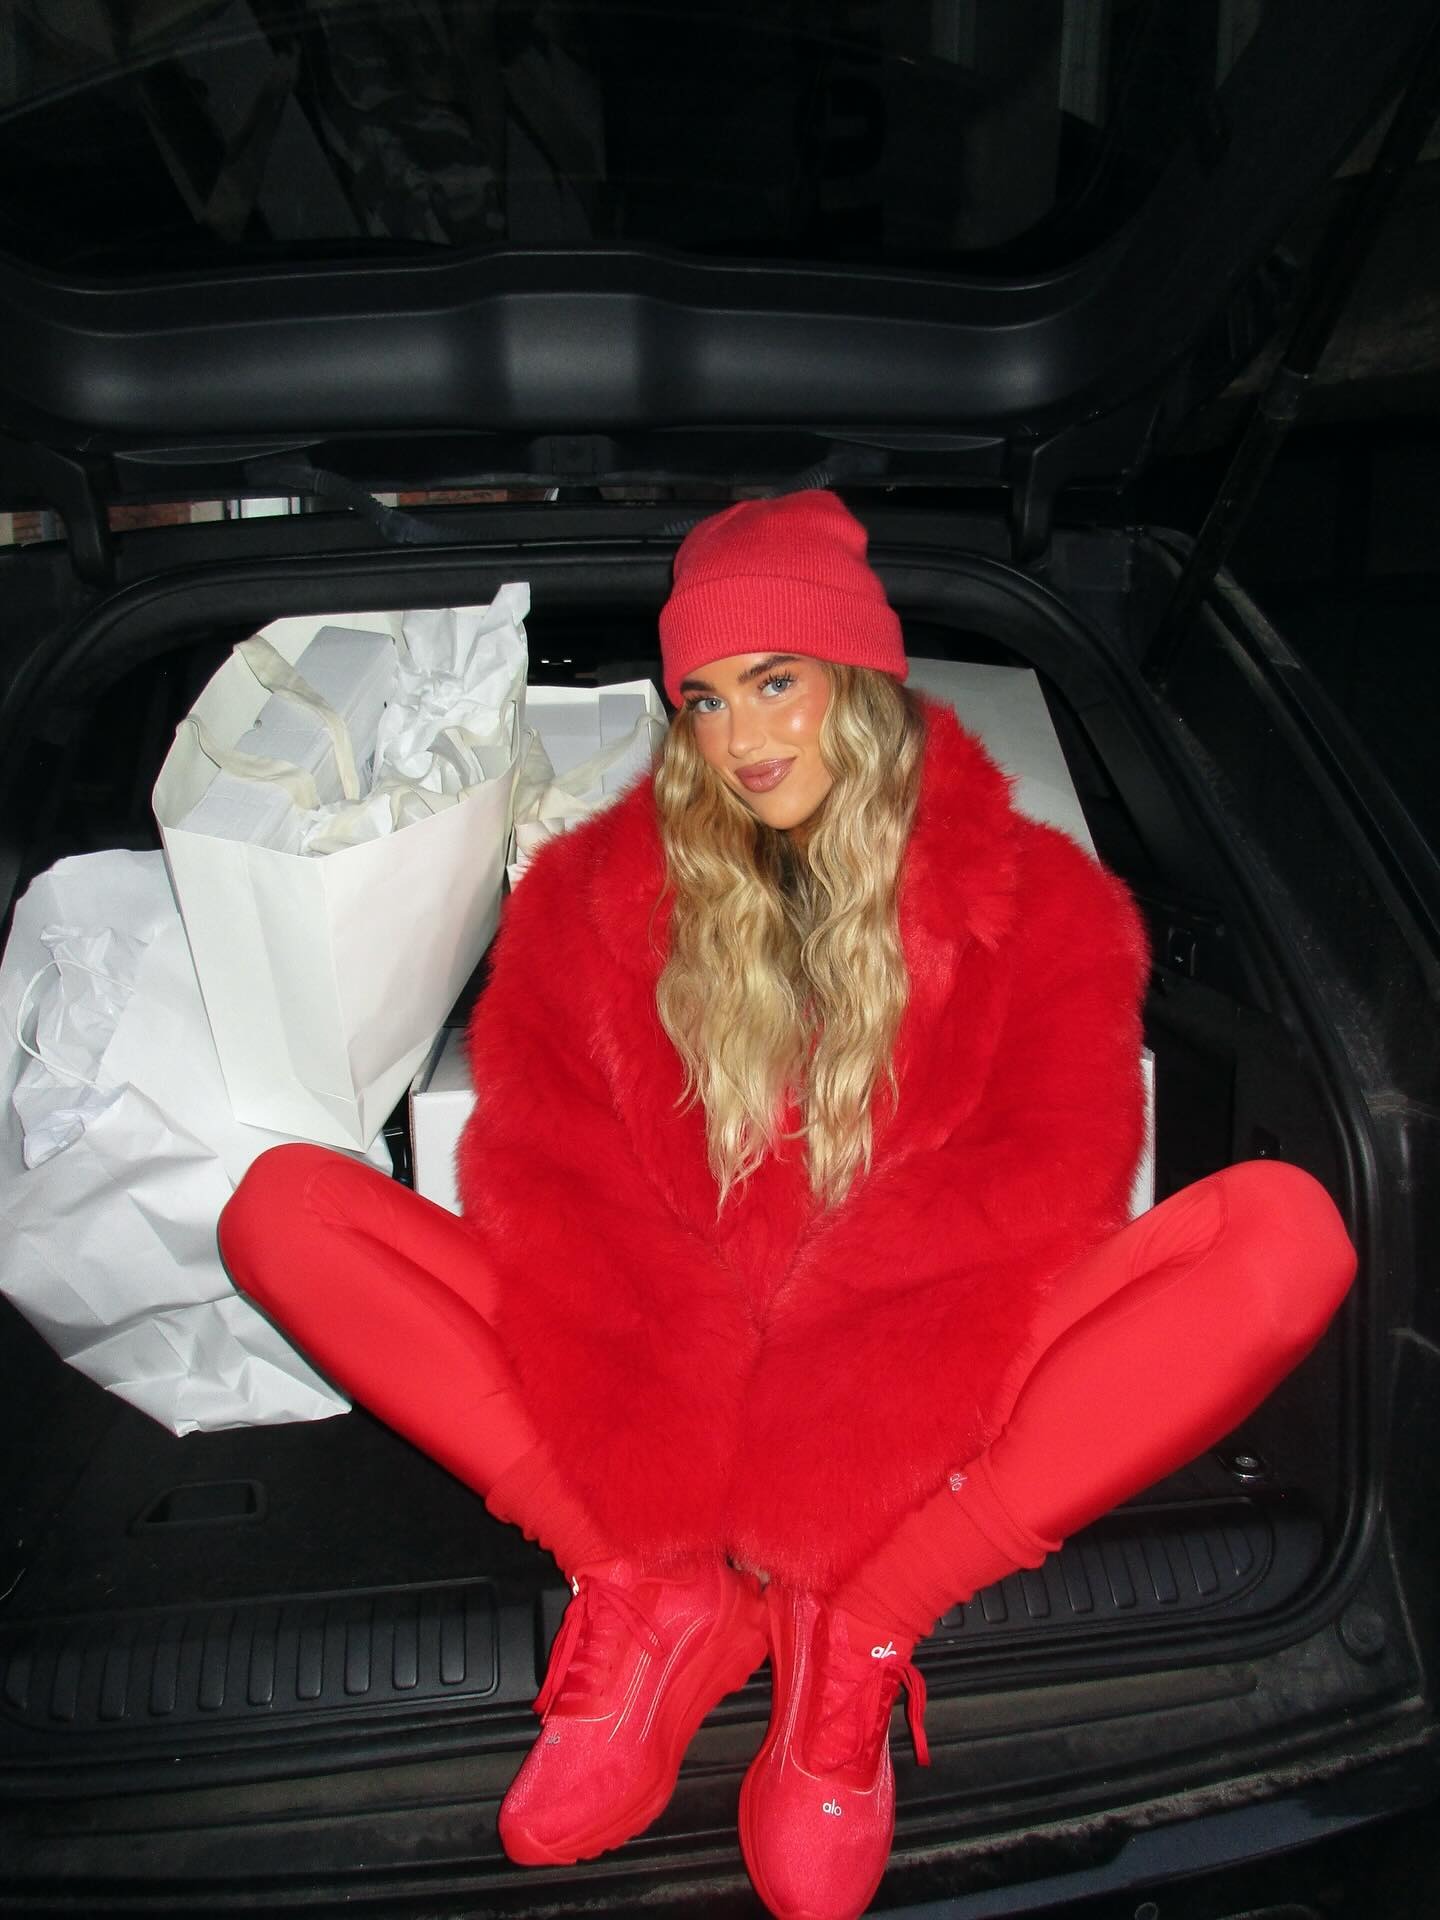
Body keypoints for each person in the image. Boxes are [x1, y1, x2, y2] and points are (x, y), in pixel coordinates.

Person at [218, 490, 1357, 1920]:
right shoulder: (587, 899)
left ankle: (858, 1620)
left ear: (860, 682)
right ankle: (647, 1581)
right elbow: (549, 1181)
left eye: (776, 682)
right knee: (279, 1212)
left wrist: (833, 1434)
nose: (743, 740)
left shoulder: (1045, 905)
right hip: (669, 1368)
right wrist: (681, 1412)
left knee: (1287, 1237)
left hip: (911, 1382)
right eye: (704, 698)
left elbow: (1042, 1190)